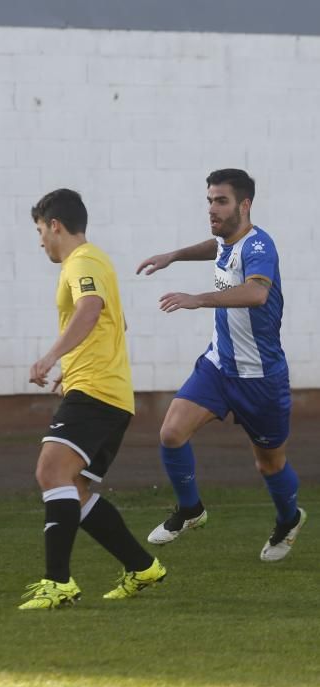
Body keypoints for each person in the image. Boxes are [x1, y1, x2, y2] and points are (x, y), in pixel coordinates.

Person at [136, 169, 306, 562]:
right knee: (172, 432)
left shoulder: (260, 246)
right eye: (210, 200)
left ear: (244, 205)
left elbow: (258, 293)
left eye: (221, 201)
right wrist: (174, 256)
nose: (212, 208)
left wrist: (198, 298)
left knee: (270, 464)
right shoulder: (226, 240)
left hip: (260, 377)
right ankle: (191, 510)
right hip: (218, 365)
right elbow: (214, 247)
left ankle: (289, 518)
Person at [19, 188, 166, 610]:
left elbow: (90, 310)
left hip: (97, 392)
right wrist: (73, 366)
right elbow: (118, 323)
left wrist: (51, 357)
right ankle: (142, 567)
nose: (40, 241)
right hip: (103, 389)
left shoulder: (81, 261)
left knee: (51, 470)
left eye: (40, 231)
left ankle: (58, 583)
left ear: (56, 225)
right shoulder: (94, 261)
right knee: (75, 489)